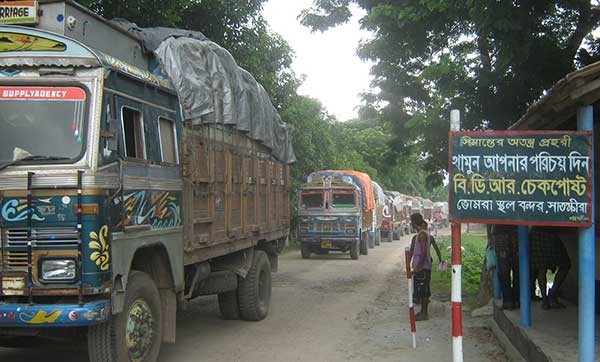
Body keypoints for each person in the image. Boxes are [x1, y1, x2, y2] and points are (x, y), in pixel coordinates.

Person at [409, 213, 443, 321]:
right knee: (422, 289)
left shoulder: (422, 235)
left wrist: (418, 266)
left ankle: (424, 313)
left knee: (424, 290)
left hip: (423, 267)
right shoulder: (422, 235)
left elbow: (423, 252)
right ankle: (422, 312)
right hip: (423, 267)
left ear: (414, 223)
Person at [529, 226, 571, 309]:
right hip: (547, 233)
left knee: (542, 268)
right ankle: (550, 295)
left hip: (539, 233)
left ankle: (546, 299)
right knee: (564, 264)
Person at [487, 224, 519, 310]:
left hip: (511, 234)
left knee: (514, 269)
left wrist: (489, 236)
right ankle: (510, 300)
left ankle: (513, 300)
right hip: (505, 234)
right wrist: (489, 236)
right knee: (505, 271)